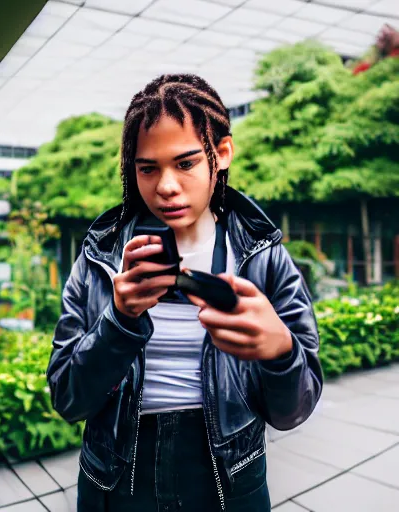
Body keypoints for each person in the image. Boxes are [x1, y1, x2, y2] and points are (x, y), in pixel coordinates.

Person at [46, 74, 323, 512]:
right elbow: (68, 398)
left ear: (222, 154)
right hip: (116, 481)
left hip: (229, 480)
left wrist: (281, 350)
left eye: (186, 163)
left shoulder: (262, 256)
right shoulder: (101, 257)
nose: (166, 186)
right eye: (147, 168)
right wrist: (118, 319)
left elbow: (294, 411)